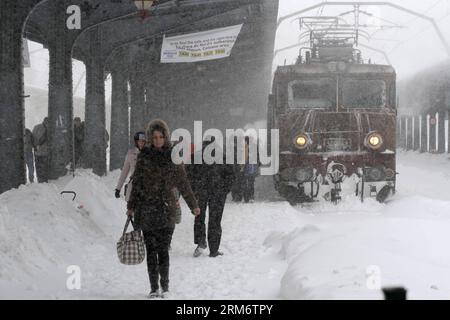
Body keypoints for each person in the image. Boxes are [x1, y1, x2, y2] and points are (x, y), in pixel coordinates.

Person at [127, 119, 200, 298]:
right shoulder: (144, 156)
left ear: (165, 137)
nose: (158, 140)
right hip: (146, 208)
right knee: (151, 251)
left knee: (163, 250)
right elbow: (137, 183)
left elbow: (183, 183)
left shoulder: (173, 156)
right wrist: (131, 206)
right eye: (155, 137)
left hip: (166, 208)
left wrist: (194, 205)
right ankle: (154, 287)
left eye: (161, 137)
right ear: (151, 138)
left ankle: (165, 286)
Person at [187, 138, 235, 258]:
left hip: (200, 192)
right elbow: (231, 175)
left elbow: (188, 175)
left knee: (199, 217)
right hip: (218, 193)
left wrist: (194, 190)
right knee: (215, 221)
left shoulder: (195, 157)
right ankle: (214, 250)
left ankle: (201, 241)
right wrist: (225, 190)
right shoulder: (223, 157)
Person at [115, 131, 146, 201]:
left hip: (146, 188)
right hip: (133, 188)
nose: (141, 143)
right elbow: (124, 172)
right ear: (136, 142)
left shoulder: (149, 154)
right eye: (139, 141)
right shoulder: (130, 154)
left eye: (143, 141)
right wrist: (118, 188)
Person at [32, 117, 49, 183]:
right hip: (44, 152)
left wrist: (35, 146)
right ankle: (44, 179)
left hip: (38, 151)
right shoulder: (48, 128)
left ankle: (40, 179)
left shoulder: (36, 127)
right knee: (44, 166)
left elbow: (32, 138)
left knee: (38, 166)